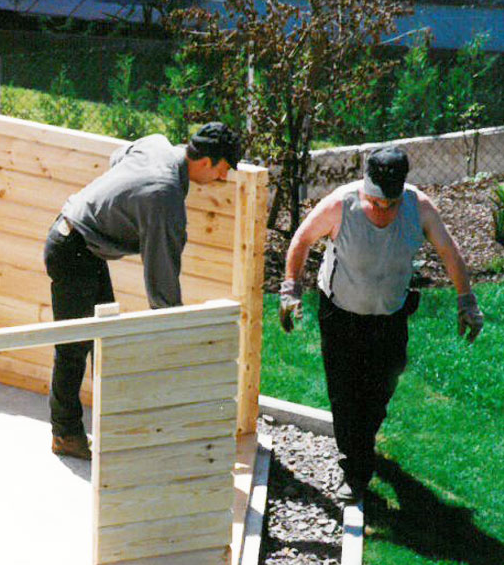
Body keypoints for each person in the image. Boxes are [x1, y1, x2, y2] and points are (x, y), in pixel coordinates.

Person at [279, 145, 484, 502]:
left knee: (380, 389)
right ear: (365, 185)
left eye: (391, 203)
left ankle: (361, 446)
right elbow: (301, 240)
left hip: (390, 316)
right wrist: (290, 290)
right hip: (341, 314)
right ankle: (356, 470)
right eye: (376, 202)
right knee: (346, 395)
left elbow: (449, 253)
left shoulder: (418, 207)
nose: (383, 210)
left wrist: (466, 300)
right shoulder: (340, 204)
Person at [44, 122, 242, 460]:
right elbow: (162, 284)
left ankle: (107, 427)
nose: (223, 177)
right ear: (205, 161)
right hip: (71, 248)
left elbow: (118, 158)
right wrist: (173, 332)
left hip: (81, 243)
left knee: (104, 340)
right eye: (223, 169)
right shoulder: (164, 198)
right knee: (73, 347)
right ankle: (65, 434)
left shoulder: (157, 144)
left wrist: (125, 202)